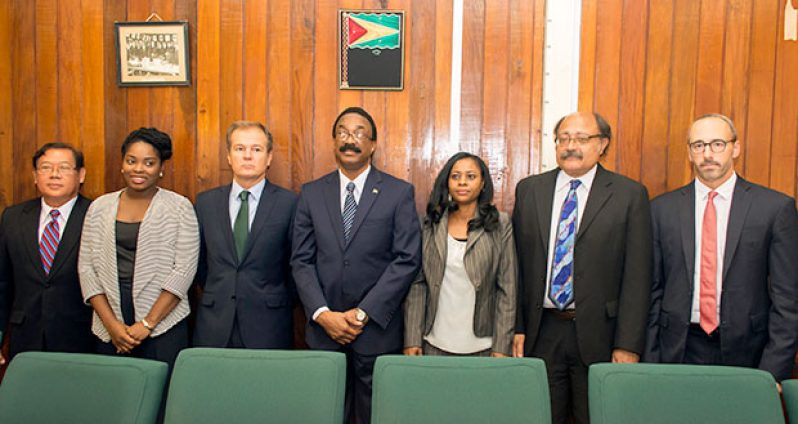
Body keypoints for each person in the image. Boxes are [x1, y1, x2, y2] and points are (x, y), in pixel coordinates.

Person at [512, 111, 652, 424]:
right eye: (564, 138)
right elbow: (517, 267)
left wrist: (628, 344)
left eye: (581, 138)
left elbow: (638, 276)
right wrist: (517, 325)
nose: (570, 146)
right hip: (541, 331)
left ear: (603, 144)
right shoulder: (530, 190)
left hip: (601, 333)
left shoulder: (630, 195)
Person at [644, 114, 798, 384]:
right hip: (679, 350)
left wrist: (773, 371)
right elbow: (652, 291)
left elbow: (788, 299)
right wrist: (651, 360)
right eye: (698, 146)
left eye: (717, 144)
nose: (707, 154)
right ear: (689, 153)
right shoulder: (661, 210)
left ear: (735, 148)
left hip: (748, 353)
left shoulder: (774, 208)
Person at [291, 107, 421, 423]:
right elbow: (301, 260)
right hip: (324, 332)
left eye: (360, 132)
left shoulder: (398, 192)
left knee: (372, 414)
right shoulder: (311, 193)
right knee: (325, 412)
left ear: (373, 144)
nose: (351, 139)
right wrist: (323, 315)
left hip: (376, 330)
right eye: (343, 132)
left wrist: (362, 314)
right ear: (334, 141)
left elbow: (407, 259)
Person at [79, 127, 199, 369]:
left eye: (149, 163)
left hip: (164, 323)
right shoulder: (99, 207)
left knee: (163, 399)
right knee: (115, 399)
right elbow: (86, 270)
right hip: (109, 320)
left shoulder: (179, 207)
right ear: (122, 164)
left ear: (161, 168)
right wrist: (112, 326)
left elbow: (183, 271)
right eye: (131, 161)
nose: (138, 169)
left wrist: (147, 323)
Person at [193, 121, 297, 349]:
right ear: (229, 156)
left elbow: (295, 266)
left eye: (256, 149)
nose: (247, 156)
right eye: (240, 149)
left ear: (269, 157)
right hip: (214, 324)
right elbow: (200, 265)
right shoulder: (205, 203)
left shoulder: (290, 204)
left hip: (268, 324)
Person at [404, 152, 516, 357]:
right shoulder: (430, 223)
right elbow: (418, 285)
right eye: (455, 176)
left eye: (470, 176)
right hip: (434, 342)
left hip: (484, 344)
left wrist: (502, 346)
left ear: (483, 183)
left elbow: (507, 289)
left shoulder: (500, 224)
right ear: (447, 182)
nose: (462, 182)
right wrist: (412, 339)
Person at [0, 143, 94, 366]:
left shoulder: (96, 214)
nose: (54, 174)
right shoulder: (13, 217)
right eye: (45, 167)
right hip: (26, 338)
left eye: (63, 167)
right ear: (35, 175)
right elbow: (3, 283)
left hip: (81, 337)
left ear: (81, 175)